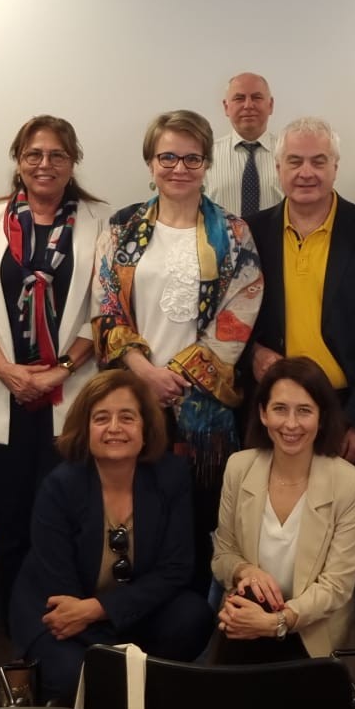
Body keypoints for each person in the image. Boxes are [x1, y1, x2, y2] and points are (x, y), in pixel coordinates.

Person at [94, 109, 263, 586]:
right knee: (137, 520)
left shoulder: (234, 233)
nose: (179, 168)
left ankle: (194, 620)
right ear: (150, 162)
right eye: (167, 157)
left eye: (192, 158)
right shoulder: (121, 227)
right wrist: (146, 374)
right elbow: (106, 308)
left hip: (203, 412)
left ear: (207, 163)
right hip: (133, 398)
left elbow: (241, 309)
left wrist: (179, 378)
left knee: (197, 525)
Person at [0, 116, 109, 617]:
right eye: (33, 154)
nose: (44, 164)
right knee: (10, 523)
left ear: (72, 162)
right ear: (19, 160)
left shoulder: (101, 221)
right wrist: (7, 369)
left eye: (56, 155)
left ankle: (62, 623)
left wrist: (61, 368)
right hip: (2, 390)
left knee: (66, 519)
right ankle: (17, 627)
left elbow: (104, 308)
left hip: (69, 392)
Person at [9, 371, 213, 702]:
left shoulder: (171, 476)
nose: (114, 428)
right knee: (76, 676)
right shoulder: (60, 485)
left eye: (127, 417)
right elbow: (61, 591)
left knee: (192, 616)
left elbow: (176, 569)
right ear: (85, 429)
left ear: (145, 429)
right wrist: (93, 618)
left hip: (128, 609)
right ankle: (128, 680)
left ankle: (134, 685)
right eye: (101, 418)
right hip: (62, 613)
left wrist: (100, 609)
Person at [244, 117, 355, 464]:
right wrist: (253, 352)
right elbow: (233, 318)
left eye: (318, 161)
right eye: (295, 161)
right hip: (271, 411)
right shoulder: (250, 233)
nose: (306, 173)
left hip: (346, 412)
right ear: (278, 168)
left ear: (335, 167)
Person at [211, 357, 355, 664]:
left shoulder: (351, 485)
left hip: (314, 632)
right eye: (280, 409)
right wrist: (246, 571)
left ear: (322, 417)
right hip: (247, 620)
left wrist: (277, 622)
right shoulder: (239, 468)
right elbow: (222, 555)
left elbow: (337, 586)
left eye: (304, 411)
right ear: (263, 413)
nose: (291, 424)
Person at [203, 72, 280, 218]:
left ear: (270, 105)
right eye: (239, 98)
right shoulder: (205, 156)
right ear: (226, 107)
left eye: (256, 97)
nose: (248, 105)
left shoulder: (290, 154)